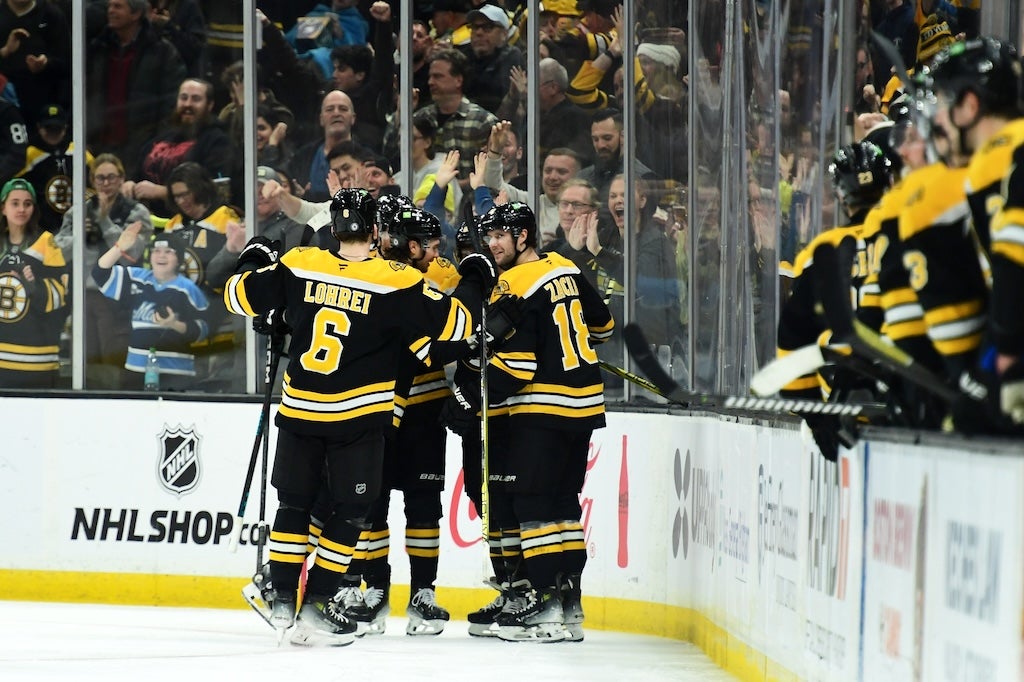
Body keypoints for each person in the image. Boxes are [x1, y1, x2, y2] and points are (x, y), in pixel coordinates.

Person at [221, 188, 480, 646]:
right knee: (351, 511)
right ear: (376, 231)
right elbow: (460, 326)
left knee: (294, 506)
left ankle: (282, 600)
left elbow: (238, 297)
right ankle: (318, 605)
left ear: (334, 229)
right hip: (358, 419)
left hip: (299, 410)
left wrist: (253, 260)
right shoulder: (397, 279)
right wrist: (472, 277)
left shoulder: (301, 262)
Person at [444, 201, 614, 642]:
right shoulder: (567, 267)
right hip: (584, 405)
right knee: (562, 506)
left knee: (534, 508)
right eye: (489, 236)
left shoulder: (513, 285)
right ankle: (567, 604)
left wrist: (469, 398)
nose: (493, 243)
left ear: (524, 237)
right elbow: (605, 327)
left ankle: (542, 605)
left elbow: (517, 368)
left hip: (541, 408)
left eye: (502, 235)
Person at [54, 153, 154, 389]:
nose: (106, 183)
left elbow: (134, 253)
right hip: (83, 294)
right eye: (100, 178)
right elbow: (59, 250)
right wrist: (81, 234)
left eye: (111, 177)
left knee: (115, 360)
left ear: (121, 179)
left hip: (118, 297)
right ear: (92, 180)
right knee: (86, 361)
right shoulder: (77, 212)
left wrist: (104, 223)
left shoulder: (136, 212)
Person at [91, 226, 208, 390]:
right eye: (156, 250)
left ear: (179, 259)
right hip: (135, 370)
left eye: (168, 251)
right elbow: (99, 273)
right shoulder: (137, 278)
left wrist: (174, 324)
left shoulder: (189, 289)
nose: (161, 256)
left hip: (176, 373)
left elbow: (203, 330)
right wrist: (119, 248)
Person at [161, 161, 243, 391]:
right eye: (176, 196)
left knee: (216, 382)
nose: (181, 201)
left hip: (219, 314)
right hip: (181, 318)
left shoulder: (225, 218)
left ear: (200, 187)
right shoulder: (173, 225)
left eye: (186, 193)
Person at [86, 0, 186, 179]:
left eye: (118, 6)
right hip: (99, 145)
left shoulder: (162, 52)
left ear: (135, 14)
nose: (110, 11)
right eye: (109, 6)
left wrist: (157, 147)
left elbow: (171, 105)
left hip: (141, 149)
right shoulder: (98, 48)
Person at [124, 77, 237, 216]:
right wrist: (129, 184)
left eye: (196, 99)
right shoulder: (162, 137)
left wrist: (163, 192)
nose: (187, 104)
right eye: (183, 98)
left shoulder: (218, 141)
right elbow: (136, 171)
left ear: (209, 105)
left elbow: (217, 190)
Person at [0, 177, 68, 388]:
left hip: (37, 359)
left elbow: (63, 295)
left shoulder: (46, 242)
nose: (21, 209)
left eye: (27, 203)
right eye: (15, 203)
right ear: (3, 208)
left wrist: (34, 286)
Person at [415, 48, 499, 193]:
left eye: (438, 76)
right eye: (430, 77)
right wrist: (400, 112)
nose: (430, 82)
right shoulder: (422, 118)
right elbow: (394, 151)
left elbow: (496, 167)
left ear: (458, 80)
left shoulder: (483, 121)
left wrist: (455, 187)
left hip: (472, 203)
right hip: (423, 199)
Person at [18, 104, 93, 232]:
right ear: (39, 128)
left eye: (57, 128)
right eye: (49, 128)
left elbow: (98, 178)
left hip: (77, 227)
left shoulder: (79, 151)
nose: (53, 133)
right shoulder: (29, 155)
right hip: (40, 229)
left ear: (65, 128)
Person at [0, 0, 71, 131]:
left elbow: (68, 62)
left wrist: (46, 64)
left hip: (42, 108)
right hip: (3, 105)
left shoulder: (52, 15)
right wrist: (5, 51)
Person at [459, 3, 522, 116]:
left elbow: (496, 95)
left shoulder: (512, 56)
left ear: (504, 34)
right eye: (474, 27)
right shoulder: (463, 56)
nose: (479, 33)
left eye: (487, 27)